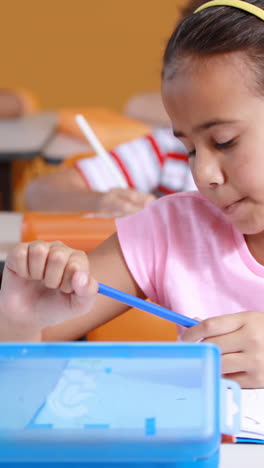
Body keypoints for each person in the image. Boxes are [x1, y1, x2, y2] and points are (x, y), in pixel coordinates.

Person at [2, 0, 264, 390]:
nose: (203, 174)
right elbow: (21, 353)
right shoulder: (171, 230)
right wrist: (17, 321)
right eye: (190, 149)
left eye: (224, 141)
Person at [25, 128, 196, 214]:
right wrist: (103, 202)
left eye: (223, 142)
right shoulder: (167, 147)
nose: (205, 172)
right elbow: (39, 193)